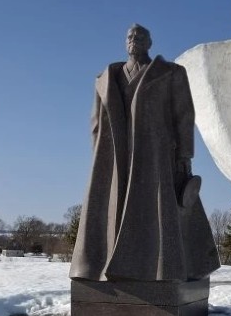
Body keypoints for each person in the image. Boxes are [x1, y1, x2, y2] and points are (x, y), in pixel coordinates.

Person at [70, 24, 220, 282]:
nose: (134, 40)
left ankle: (162, 269)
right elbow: (96, 122)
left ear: (150, 43)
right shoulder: (106, 78)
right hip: (116, 158)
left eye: (140, 36)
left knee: (159, 211)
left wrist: (185, 154)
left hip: (155, 154)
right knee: (112, 211)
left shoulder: (171, 73)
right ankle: (102, 268)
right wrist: (102, 162)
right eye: (130, 36)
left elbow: (183, 116)